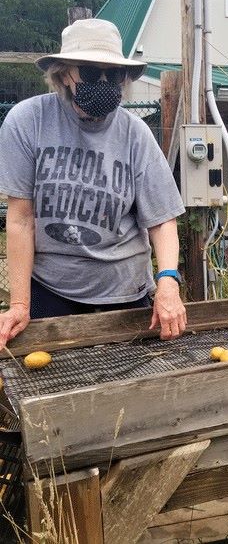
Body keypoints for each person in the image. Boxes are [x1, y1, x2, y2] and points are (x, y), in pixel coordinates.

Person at [0, 18, 187, 347]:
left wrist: (168, 281)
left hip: (125, 292)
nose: (103, 81)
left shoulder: (135, 134)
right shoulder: (28, 121)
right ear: (63, 73)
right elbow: (20, 218)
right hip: (52, 291)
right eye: (88, 72)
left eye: (112, 74)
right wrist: (19, 303)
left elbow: (161, 220)